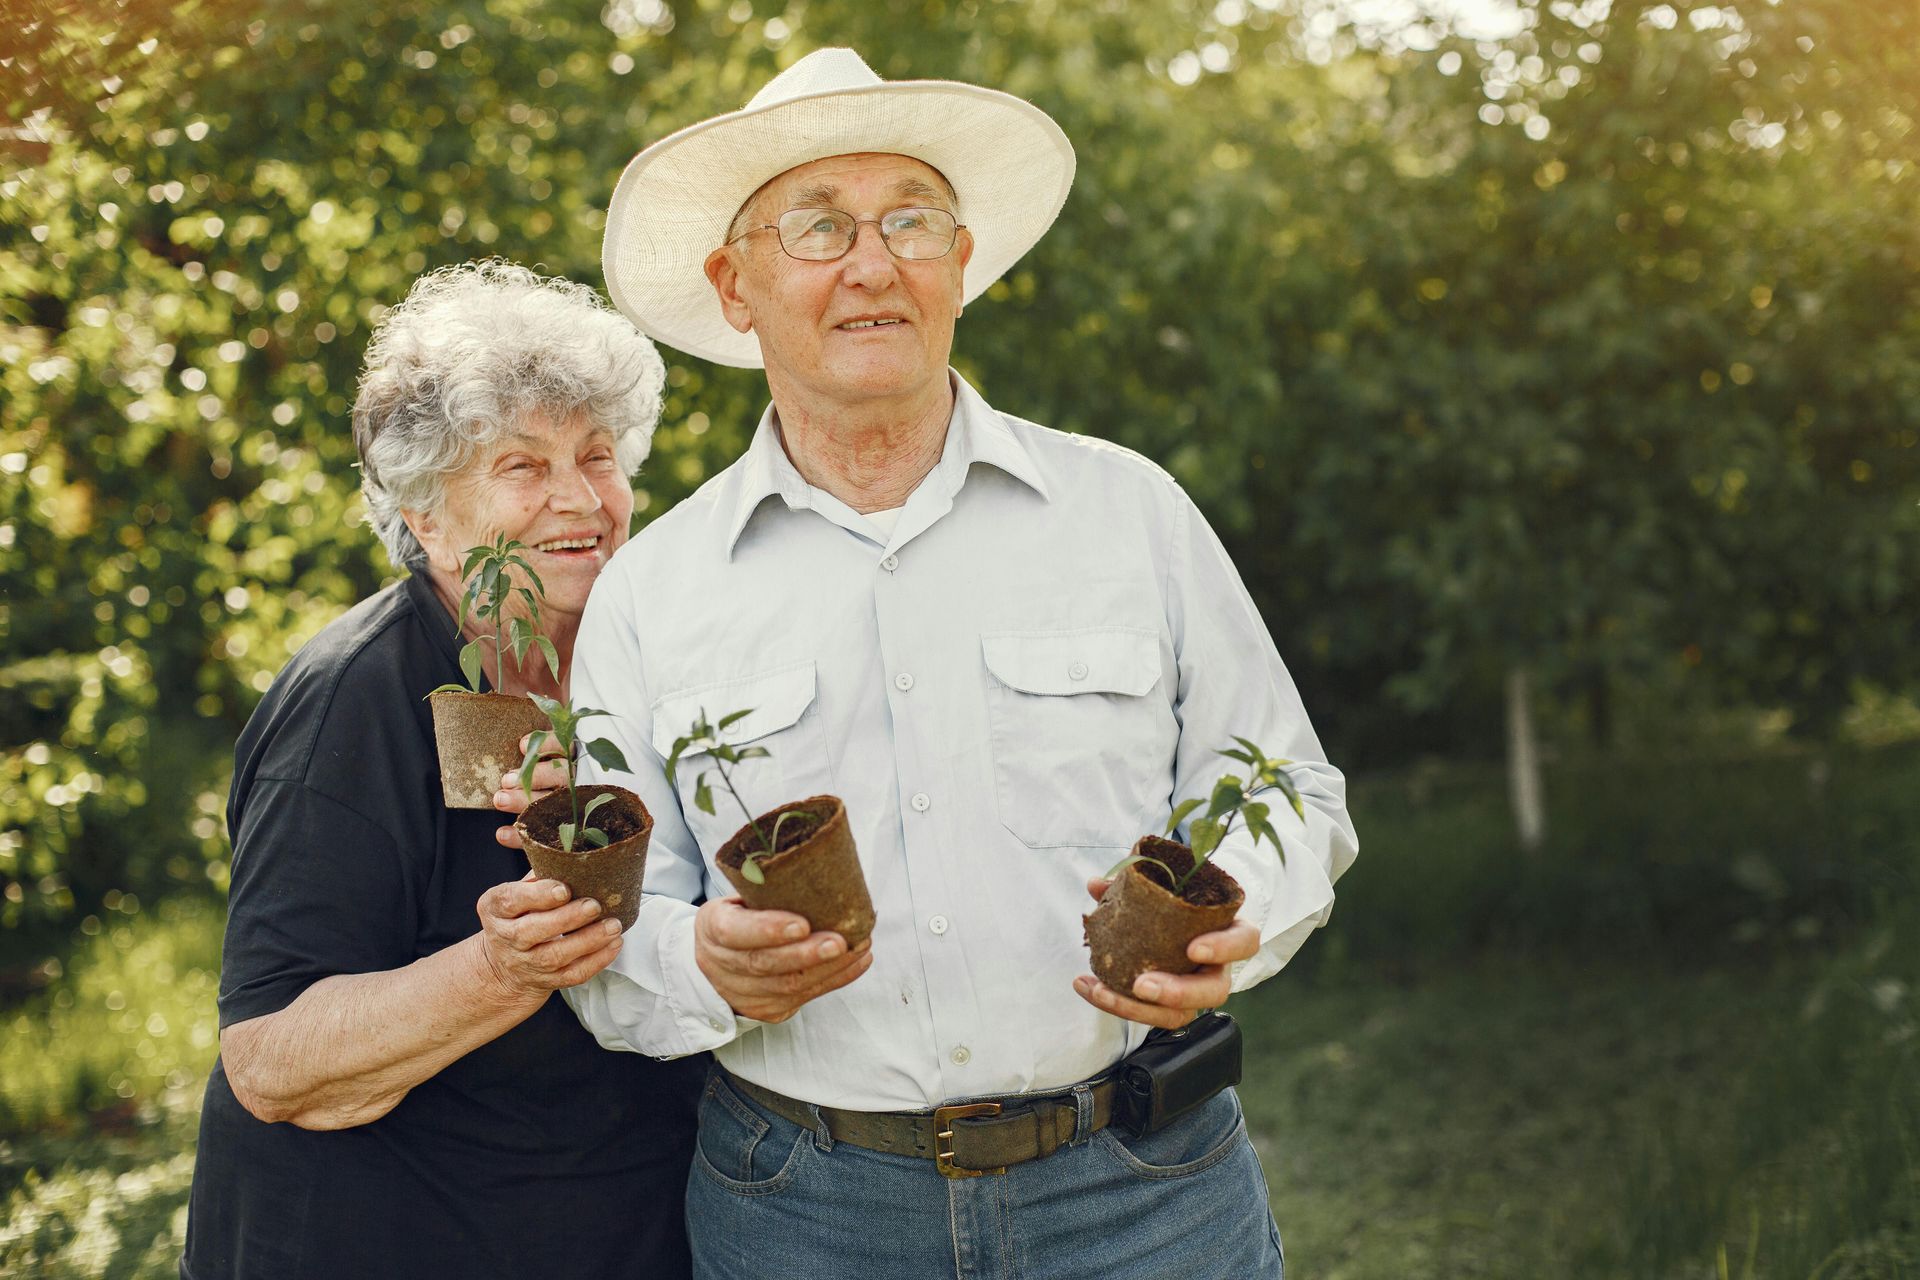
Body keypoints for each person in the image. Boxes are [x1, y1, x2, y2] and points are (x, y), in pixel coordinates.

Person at [549, 49, 1359, 1278]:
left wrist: (1227, 925)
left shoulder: (1127, 510)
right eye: (818, 226)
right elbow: (608, 921)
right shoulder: (655, 588)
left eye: (911, 220)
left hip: (1147, 1190)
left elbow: (1288, 785)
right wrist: (697, 961)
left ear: (962, 265)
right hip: (806, 1210)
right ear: (735, 285)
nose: (872, 263)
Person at [180, 261, 707, 1279]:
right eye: (522, 465)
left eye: (597, 454)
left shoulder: (643, 671)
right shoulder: (357, 701)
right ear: (427, 515)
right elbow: (272, 1059)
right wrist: (502, 966)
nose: (579, 497)